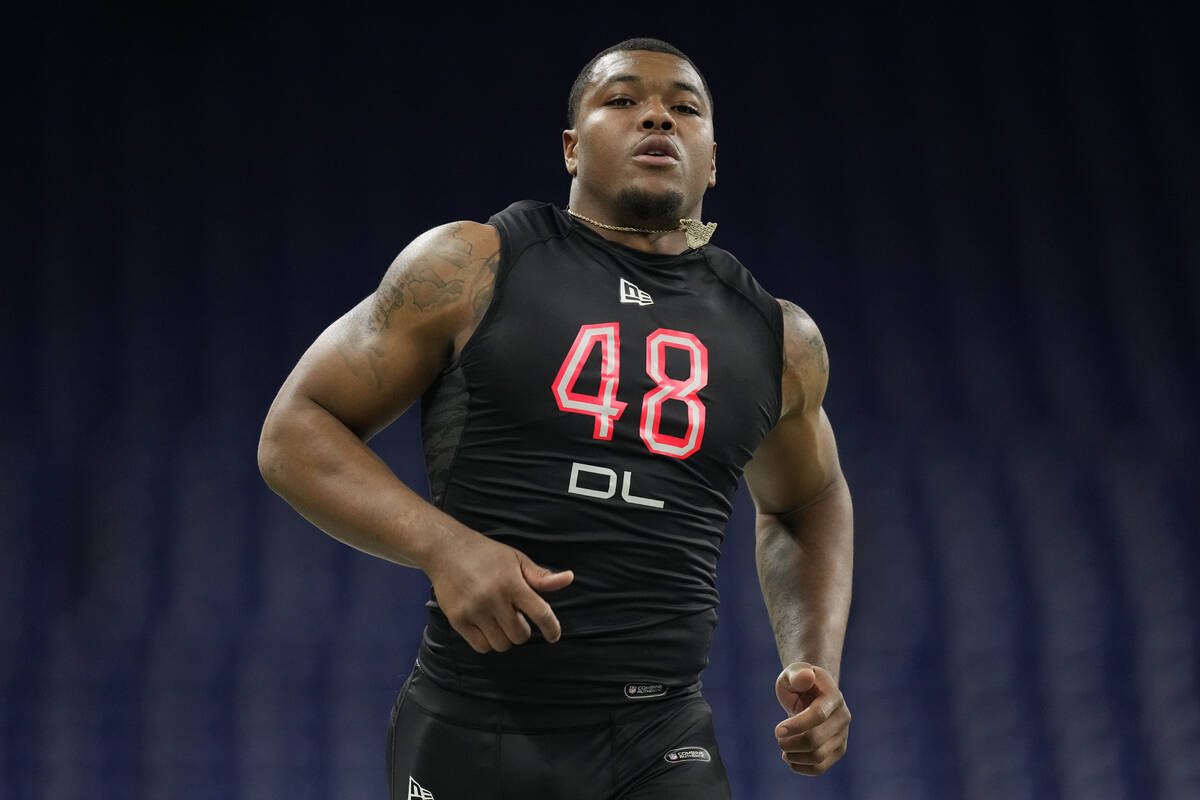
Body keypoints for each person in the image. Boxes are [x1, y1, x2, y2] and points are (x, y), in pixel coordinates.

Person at [258, 37, 853, 799]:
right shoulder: (471, 265)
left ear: (712, 158)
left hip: (662, 735)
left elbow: (809, 499)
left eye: (684, 109)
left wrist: (814, 662)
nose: (658, 120)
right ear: (572, 148)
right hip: (476, 723)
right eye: (623, 100)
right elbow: (295, 431)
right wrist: (445, 548)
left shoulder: (778, 338)